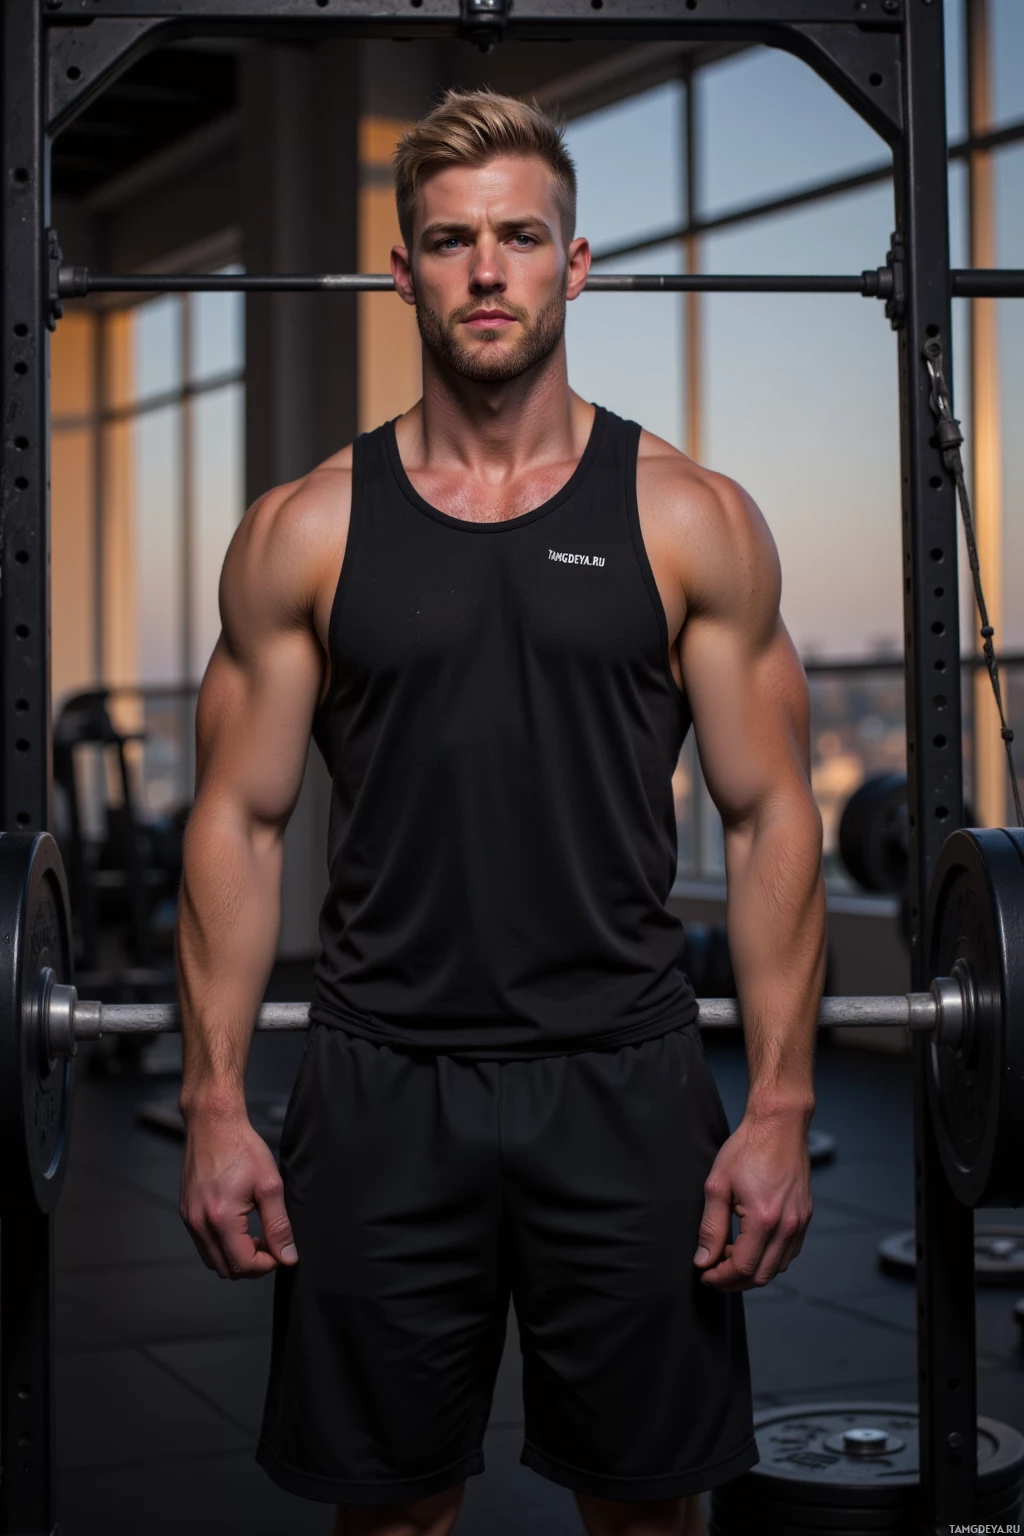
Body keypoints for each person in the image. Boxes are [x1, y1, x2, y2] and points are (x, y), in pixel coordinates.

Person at [177, 88, 825, 1536]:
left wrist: (779, 1102)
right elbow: (237, 822)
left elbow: (775, 813)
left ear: (573, 264)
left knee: (649, 1508)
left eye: (520, 237)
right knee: (392, 1512)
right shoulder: (305, 530)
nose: (487, 270)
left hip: (624, 1078)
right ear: (403, 272)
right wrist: (217, 1102)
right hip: (380, 1081)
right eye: (452, 241)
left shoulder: (687, 517)